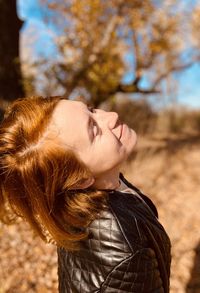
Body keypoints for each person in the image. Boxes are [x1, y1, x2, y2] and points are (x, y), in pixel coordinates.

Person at [0, 96, 171, 292]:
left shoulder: (81, 198)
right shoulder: (125, 251)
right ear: (81, 179)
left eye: (92, 110)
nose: (111, 116)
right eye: (95, 130)